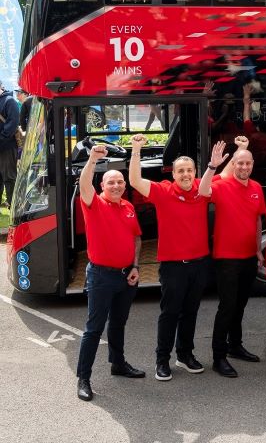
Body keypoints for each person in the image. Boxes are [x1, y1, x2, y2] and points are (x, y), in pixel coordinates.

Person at [128, 134, 209, 382]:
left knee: (191, 312)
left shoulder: (202, 190)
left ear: (196, 172)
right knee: (170, 313)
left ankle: (184, 356)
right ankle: (162, 360)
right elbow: (133, 180)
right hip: (174, 267)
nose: (186, 175)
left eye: (190, 170)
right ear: (173, 174)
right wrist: (136, 150)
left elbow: (229, 176)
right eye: (181, 171)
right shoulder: (163, 191)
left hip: (198, 264)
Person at [75, 145, 144, 401]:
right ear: (102, 185)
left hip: (127, 276)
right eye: (111, 182)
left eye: (120, 182)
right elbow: (84, 183)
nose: (116, 186)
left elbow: (137, 238)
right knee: (94, 329)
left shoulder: (128, 206)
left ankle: (118, 363)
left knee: (118, 323)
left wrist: (136, 266)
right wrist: (93, 159)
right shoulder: (93, 203)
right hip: (101, 276)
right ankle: (84, 378)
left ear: (125, 185)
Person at [199, 141, 266, 378]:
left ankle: (235, 345)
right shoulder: (222, 185)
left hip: (249, 256)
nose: (244, 167)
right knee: (227, 307)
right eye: (240, 163)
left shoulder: (257, 187)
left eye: (248, 163)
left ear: (252, 165)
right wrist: (212, 166)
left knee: (240, 305)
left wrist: (258, 249)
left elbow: (258, 220)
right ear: (234, 165)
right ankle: (219, 357)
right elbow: (203, 191)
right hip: (227, 258)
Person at [0, 84, 18, 207]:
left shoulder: (9, 101)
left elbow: (12, 125)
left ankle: (13, 206)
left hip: (7, 146)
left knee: (9, 178)